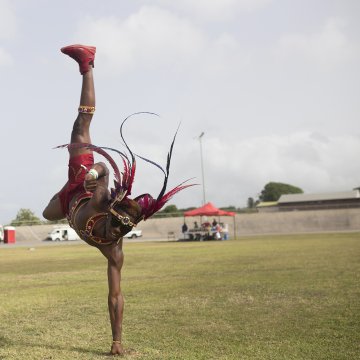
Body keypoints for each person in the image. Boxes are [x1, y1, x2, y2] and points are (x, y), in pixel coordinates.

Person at [42, 44, 192, 356]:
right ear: (111, 216)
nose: (113, 235)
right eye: (115, 229)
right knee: (80, 126)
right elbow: (105, 170)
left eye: (118, 234)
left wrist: (117, 342)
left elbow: (115, 296)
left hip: (69, 204)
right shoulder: (100, 204)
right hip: (82, 181)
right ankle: (87, 64)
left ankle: (66, 193)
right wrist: (91, 173)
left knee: (46, 215)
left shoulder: (114, 249)